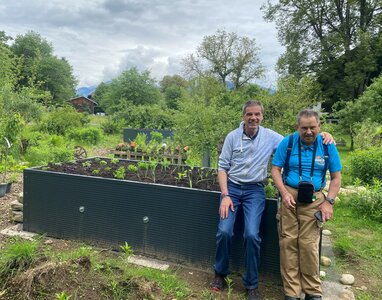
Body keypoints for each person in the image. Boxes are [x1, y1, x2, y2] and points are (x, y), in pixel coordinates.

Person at [210, 101, 333, 300]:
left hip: (254, 191)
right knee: (224, 231)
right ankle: (219, 274)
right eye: (249, 114)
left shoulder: (271, 137)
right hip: (231, 189)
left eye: (257, 114)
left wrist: (323, 136)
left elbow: (298, 139)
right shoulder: (232, 137)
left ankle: (251, 285)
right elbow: (222, 167)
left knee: (251, 234)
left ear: (262, 117)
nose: (253, 118)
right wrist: (225, 195)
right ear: (243, 116)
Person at [271, 109, 342, 300]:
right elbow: (276, 169)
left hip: (314, 200)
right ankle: (292, 292)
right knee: (288, 244)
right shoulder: (288, 142)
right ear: (298, 127)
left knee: (309, 246)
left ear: (319, 127)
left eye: (313, 127)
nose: (309, 132)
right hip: (289, 199)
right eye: (304, 128)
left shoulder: (327, 146)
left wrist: (329, 202)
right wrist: (284, 192)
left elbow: (336, 178)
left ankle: (312, 292)